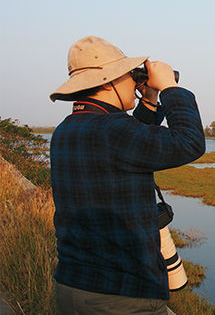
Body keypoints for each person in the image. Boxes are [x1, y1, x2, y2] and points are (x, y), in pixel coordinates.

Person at [49, 36, 205, 314]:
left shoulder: (66, 130)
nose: (134, 82)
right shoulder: (114, 131)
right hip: (121, 296)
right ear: (109, 81)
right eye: (129, 76)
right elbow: (189, 142)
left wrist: (150, 98)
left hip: (73, 287)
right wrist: (170, 87)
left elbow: (131, 145)